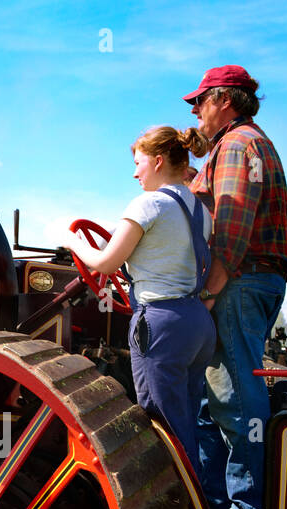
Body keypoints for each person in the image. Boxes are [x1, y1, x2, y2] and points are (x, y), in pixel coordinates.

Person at [185, 64, 287, 509]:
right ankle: (214, 502)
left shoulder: (235, 145)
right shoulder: (242, 145)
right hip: (255, 281)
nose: (194, 111)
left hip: (239, 281)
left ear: (223, 101)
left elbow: (229, 228)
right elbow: (211, 200)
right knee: (216, 396)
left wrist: (208, 291)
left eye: (200, 102)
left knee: (231, 393)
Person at [66, 125, 216, 463]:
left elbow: (106, 262)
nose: (135, 173)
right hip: (197, 322)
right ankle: (200, 501)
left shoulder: (149, 204)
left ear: (158, 161)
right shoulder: (200, 211)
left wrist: (72, 242)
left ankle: (175, 507)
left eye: (138, 163)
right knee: (187, 417)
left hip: (160, 323)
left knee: (162, 425)